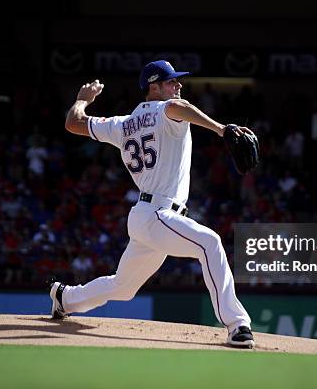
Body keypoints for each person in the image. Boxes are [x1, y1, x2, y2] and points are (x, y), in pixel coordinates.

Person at [49, 60, 255, 348]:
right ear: (153, 87)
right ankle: (237, 324)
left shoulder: (122, 124)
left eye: (177, 81)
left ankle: (64, 297)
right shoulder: (166, 109)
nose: (178, 86)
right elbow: (177, 109)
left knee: (123, 287)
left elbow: (74, 123)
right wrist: (222, 129)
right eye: (171, 82)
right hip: (158, 215)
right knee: (210, 243)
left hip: (148, 217)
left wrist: (82, 100)